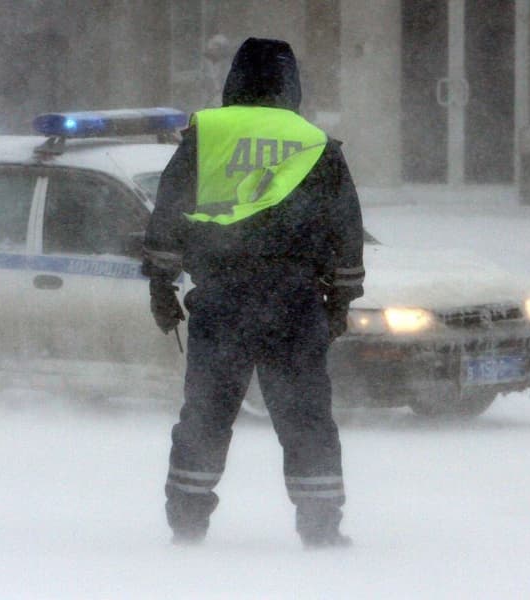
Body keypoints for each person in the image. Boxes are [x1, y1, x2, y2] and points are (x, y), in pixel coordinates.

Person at [142, 37, 365, 548]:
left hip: (222, 301)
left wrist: (161, 286)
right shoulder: (315, 143)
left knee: (206, 415)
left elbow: (168, 214)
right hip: (295, 302)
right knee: (306, 418)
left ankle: (188, 526)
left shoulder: (208, 135)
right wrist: (341, 301)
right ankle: (321, 530)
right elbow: (345, 231)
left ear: (234, 79)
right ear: (292, 85)